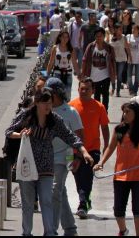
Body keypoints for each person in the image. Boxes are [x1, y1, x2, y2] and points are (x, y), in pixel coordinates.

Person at [5, 88, 93, 236]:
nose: (48, 106)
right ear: (37, 103)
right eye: (45, 103)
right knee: (27, 204)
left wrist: (83, 151)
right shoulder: (26, 116)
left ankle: (50, 232)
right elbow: (8, 131)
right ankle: (27, 233)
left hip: (46, 166)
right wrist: (19, 135)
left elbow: (70, 136)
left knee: (47, 200)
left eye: (50, 103)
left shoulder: (55, 120)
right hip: (27, 166)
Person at [95, 100, 139, 236]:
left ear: (136, 114)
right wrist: (101, 162)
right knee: (118, 210)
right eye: (124, 112)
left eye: (128, 112)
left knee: (138, 210)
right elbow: (111, 146)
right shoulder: (119, 130)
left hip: (138, 176)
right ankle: (123, 230)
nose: (125, 115)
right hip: (120, 176)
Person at [46, 78, 83, 236]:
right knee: (60, 192)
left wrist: (78, 158)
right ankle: (70, 229)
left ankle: (51, 231)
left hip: (65, 157)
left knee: (55, 190)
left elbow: (80, 137)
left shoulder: (71, 113)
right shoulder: (44, 110)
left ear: (58, 94)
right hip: (47, 157)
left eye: (50, 93)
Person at [70, 78, 111, 219]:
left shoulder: (99, 107)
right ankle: (86, 200)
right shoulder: (71, 106)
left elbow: (105, 127)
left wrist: (106, 145)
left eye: (87, 89)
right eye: (82, 88)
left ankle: (82, 204)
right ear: (78, 89)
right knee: (77, 176)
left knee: (87, 176)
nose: (84, 91)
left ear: (93, 91)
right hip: (73, 150)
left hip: (92, 149)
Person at [47, 30, 79, 100]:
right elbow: (51, 62)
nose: (65, 39)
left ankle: (66, 109)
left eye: (67, 37)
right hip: (57, 73)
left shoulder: (71, 49)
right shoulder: (55, 48)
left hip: (68, 73)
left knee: (67, 94)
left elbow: (74, 63)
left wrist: (79, 74)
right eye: (63, 37)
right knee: (57, 94)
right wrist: (47, 74)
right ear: (60, 38)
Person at [110, 25, 132, 97]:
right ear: (116, 30)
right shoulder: (111, 37)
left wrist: (130, 56)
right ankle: (113, 88)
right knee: (113, 75)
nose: (121, 30)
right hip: (113, 59)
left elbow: (127, 47)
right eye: (119, 29)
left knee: (119, 75)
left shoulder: (124, 37)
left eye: (121, 29)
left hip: (122, 59)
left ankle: (118, 91)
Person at [129, 25, 139, 97]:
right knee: (129, 76)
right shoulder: (129, 36)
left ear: (138, 30)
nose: (133, 30)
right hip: (130, 59)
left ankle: (135, 90)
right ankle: (131, 89)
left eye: (135, 29)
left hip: (138, 60)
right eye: (132, 29)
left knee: (137, 76)